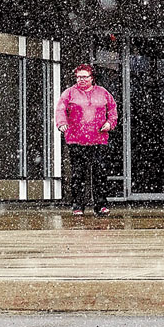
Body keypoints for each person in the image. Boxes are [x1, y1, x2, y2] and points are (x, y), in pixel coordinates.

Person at [55, 64, 118, 216]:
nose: (81, 80)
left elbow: (112, 109)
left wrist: (110, 123)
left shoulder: (103, 93)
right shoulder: (69, 93)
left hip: (99, 139)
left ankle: (101, 204)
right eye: (79, 77)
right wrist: (62, 123)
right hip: (76, 140)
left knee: (100, 173)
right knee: (78, 174)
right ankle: (78, 205)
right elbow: (60, 109)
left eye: (85, 77)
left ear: (92, 78)